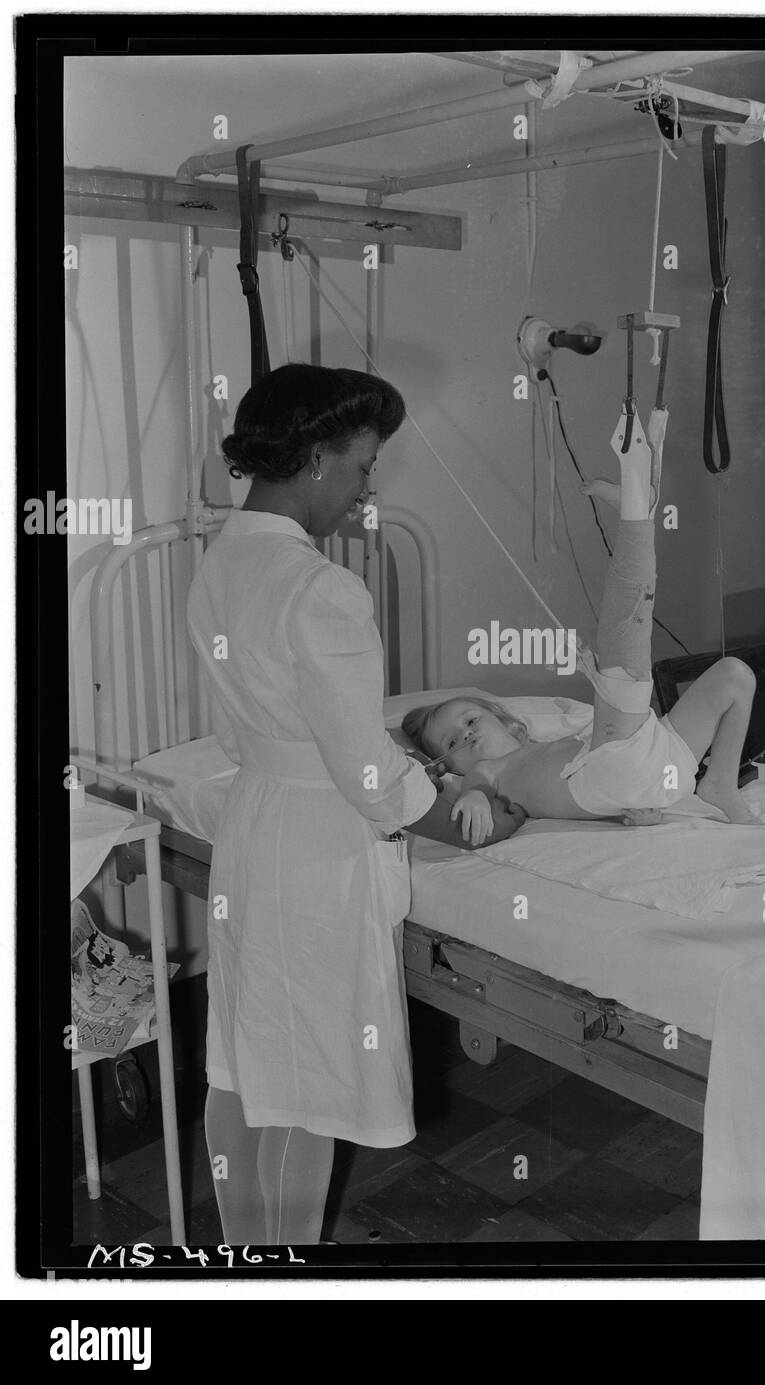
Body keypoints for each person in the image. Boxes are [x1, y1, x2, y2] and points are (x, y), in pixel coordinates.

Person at [187, 363, 524, 1245]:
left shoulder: (219, 559)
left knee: (246, 1063)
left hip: (255, 830)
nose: (368, 486)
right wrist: (450, 805)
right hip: (317, 859)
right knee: (313, 1083)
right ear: (314, 456)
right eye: (365, 464)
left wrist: (378, 768)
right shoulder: (320, 587)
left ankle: (235, 1257)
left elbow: (249, 735)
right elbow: (368, 777)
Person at [402, 425, 758, 840]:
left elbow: (590, 797)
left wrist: (630, 808)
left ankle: (720, 782)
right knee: (624, 640)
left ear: (509, 723)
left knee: (734, 675)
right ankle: (635, 509)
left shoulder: (552, 743)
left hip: (648, 763)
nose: (465, 733)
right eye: (450, 742)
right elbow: (477, 789)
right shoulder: (486, 772)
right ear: (449, 767)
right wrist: (473, 798)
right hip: (618, 764)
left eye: (470, 718)